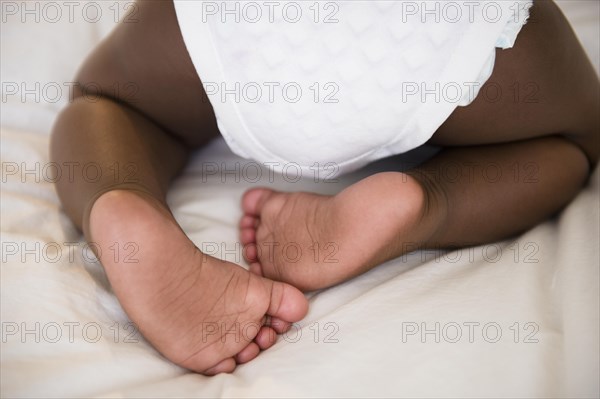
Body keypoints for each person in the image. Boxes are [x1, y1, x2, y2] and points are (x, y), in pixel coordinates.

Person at [50, 0, 599, 375]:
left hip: (243, 24)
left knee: (110, 104)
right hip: (430, 32)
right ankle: (428, 202)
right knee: (572, 141)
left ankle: (122, 198)